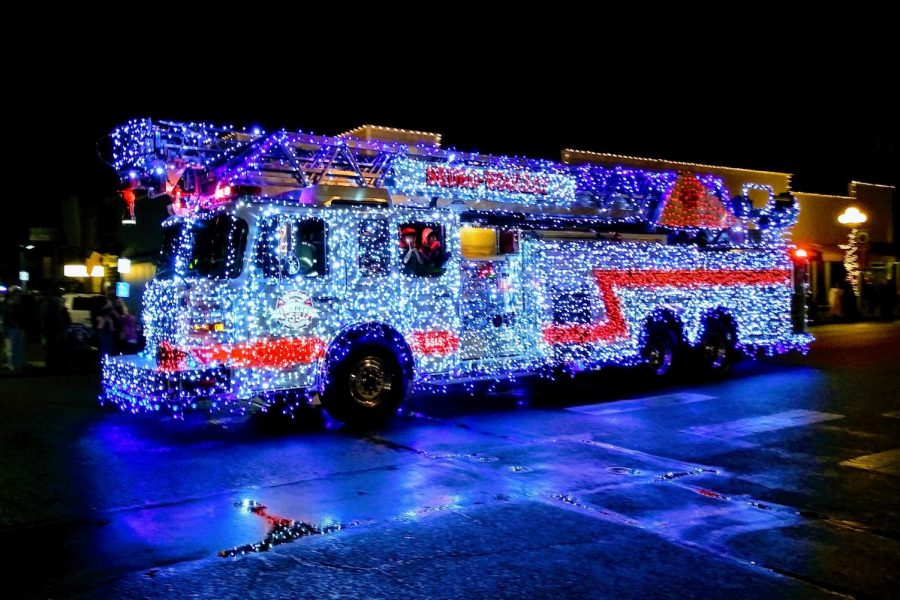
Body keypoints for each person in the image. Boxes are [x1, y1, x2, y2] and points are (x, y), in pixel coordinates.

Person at [40, 288, 71, 372]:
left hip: (55, 330)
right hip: (54, 330)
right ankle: (54, 364)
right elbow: (52, 319)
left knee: (53, 348)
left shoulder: (49, 304)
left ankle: (54, 364)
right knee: (53, 347)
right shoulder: (52, 305)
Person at [1, 287, 26, 372]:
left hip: (17, 328)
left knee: (18, 347)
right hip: (11, 328)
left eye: (18, 295)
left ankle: (17, 364)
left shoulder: (18, 305)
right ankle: (11, 364)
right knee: (11, 347)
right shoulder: (7, 304)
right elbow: (6, 317)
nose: (17, 296)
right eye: (15, 295)